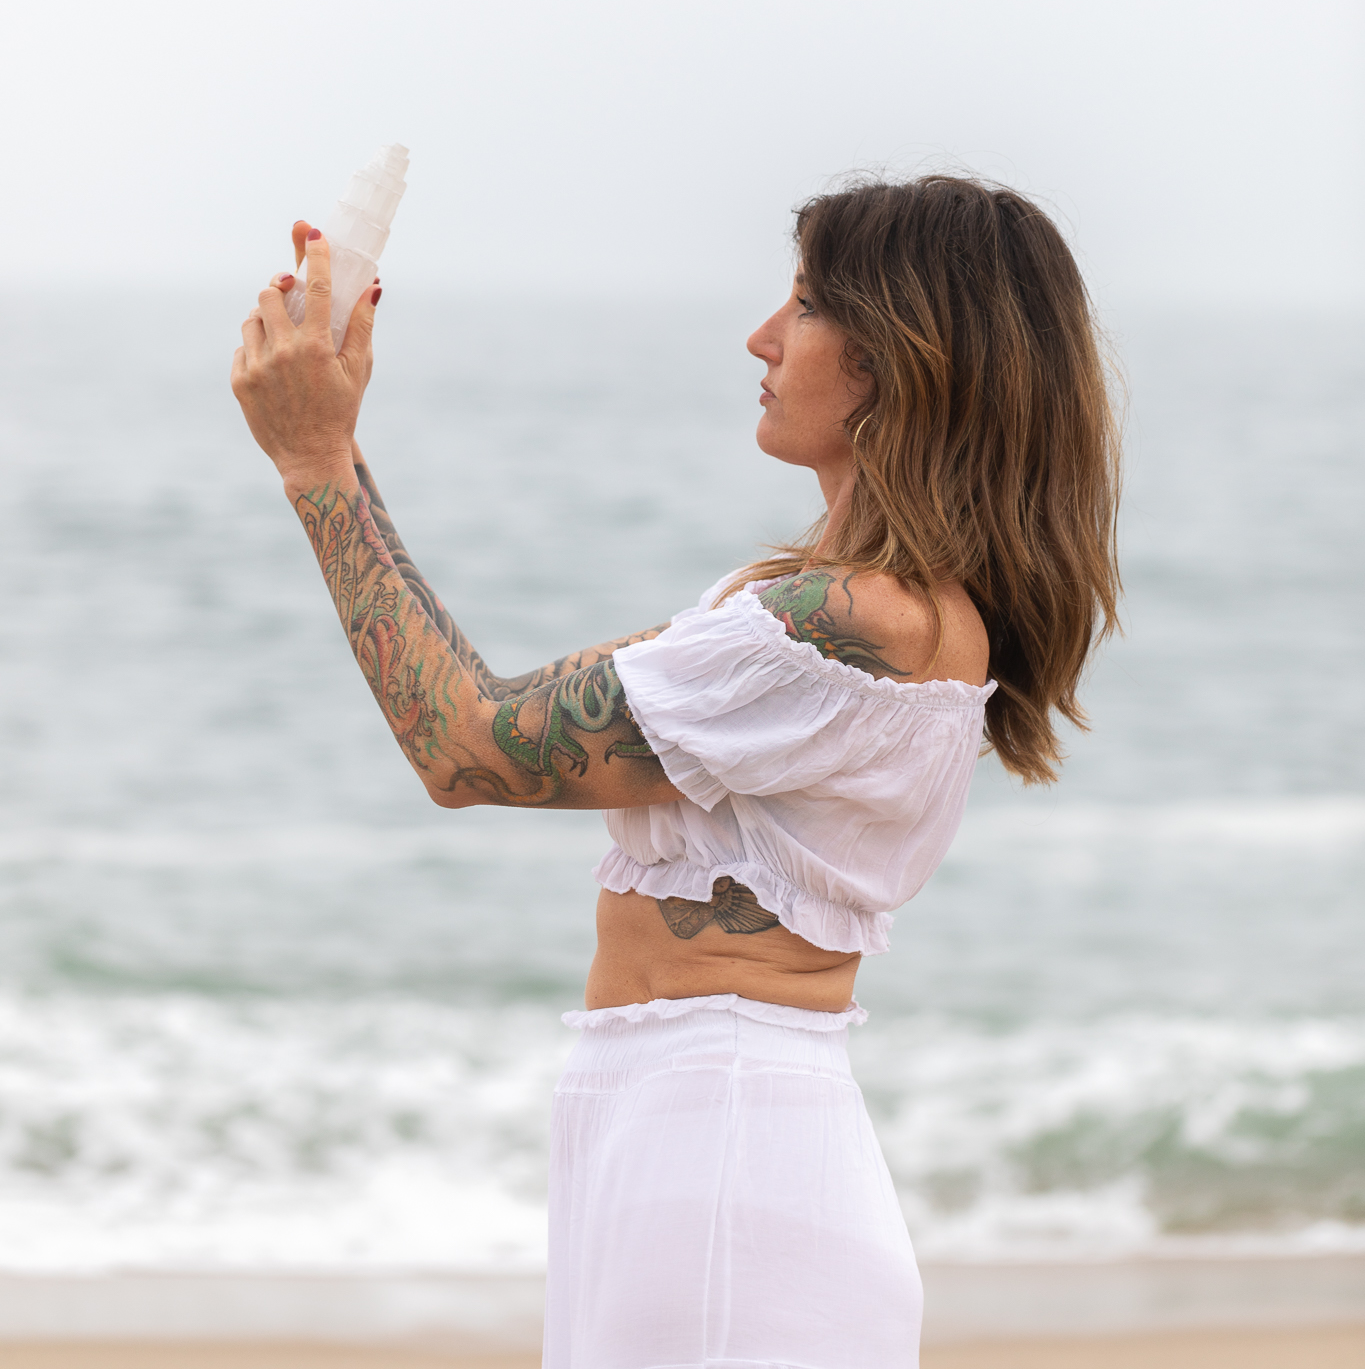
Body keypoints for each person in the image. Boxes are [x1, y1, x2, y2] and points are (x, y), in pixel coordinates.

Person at [231, 174, 1121, 1369]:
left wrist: (315, 462)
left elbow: (463, 748)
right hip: (689, 1131)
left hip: (724, 1148)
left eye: (806, 305)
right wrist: (332, 444)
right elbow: (484, 708)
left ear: (900, 358)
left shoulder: (850, 623)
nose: (763, 336)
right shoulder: (816, 611)